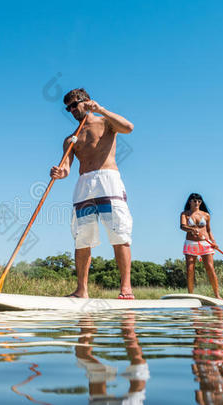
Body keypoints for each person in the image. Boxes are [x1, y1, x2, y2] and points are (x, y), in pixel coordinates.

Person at [50, 88, 135, 299]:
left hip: (108, 180)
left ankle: (126, 288)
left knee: (119, 233)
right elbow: (67, 168)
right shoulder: (71, 139)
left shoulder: (105, 123)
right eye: (67, 107)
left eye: (74, 104)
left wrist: (101, 109)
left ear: (86, 101)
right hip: (83, 185)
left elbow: (129, 128)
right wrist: (60, 172)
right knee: (82, 238)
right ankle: (82, 290)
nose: (71, 110)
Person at [180, 193, 221, 299]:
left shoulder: (206, 215)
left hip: (205, 243)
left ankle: (217, 295)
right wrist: (191, 229)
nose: (197, 203)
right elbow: (182, 226)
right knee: (190, 269)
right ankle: (191, 295)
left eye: (199, 201)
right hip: (191, 243)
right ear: (190, 202)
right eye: (194, 201)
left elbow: (209, 230)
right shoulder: (185, 214)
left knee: (210, 268)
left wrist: (214, 242)